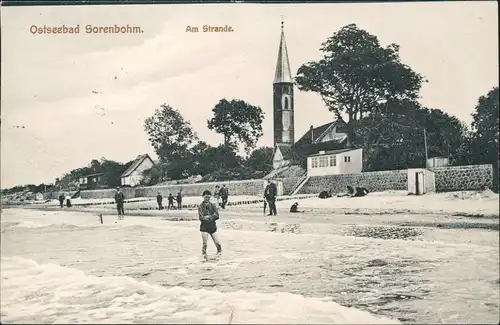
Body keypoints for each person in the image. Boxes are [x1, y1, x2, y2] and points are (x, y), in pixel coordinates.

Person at [198, 190, 222, 257]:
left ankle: (219, 257)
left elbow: (217, 215)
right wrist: (211, 217)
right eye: (206, 197)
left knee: (218, 244)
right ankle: (204, 257)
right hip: (204, 227)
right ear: (203, 197)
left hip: (212, 226)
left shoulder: (213, 205)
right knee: (204, 244)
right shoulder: (200, 206)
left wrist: (209, 217)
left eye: (208, 197)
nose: (207, 199)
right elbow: (201, 217)